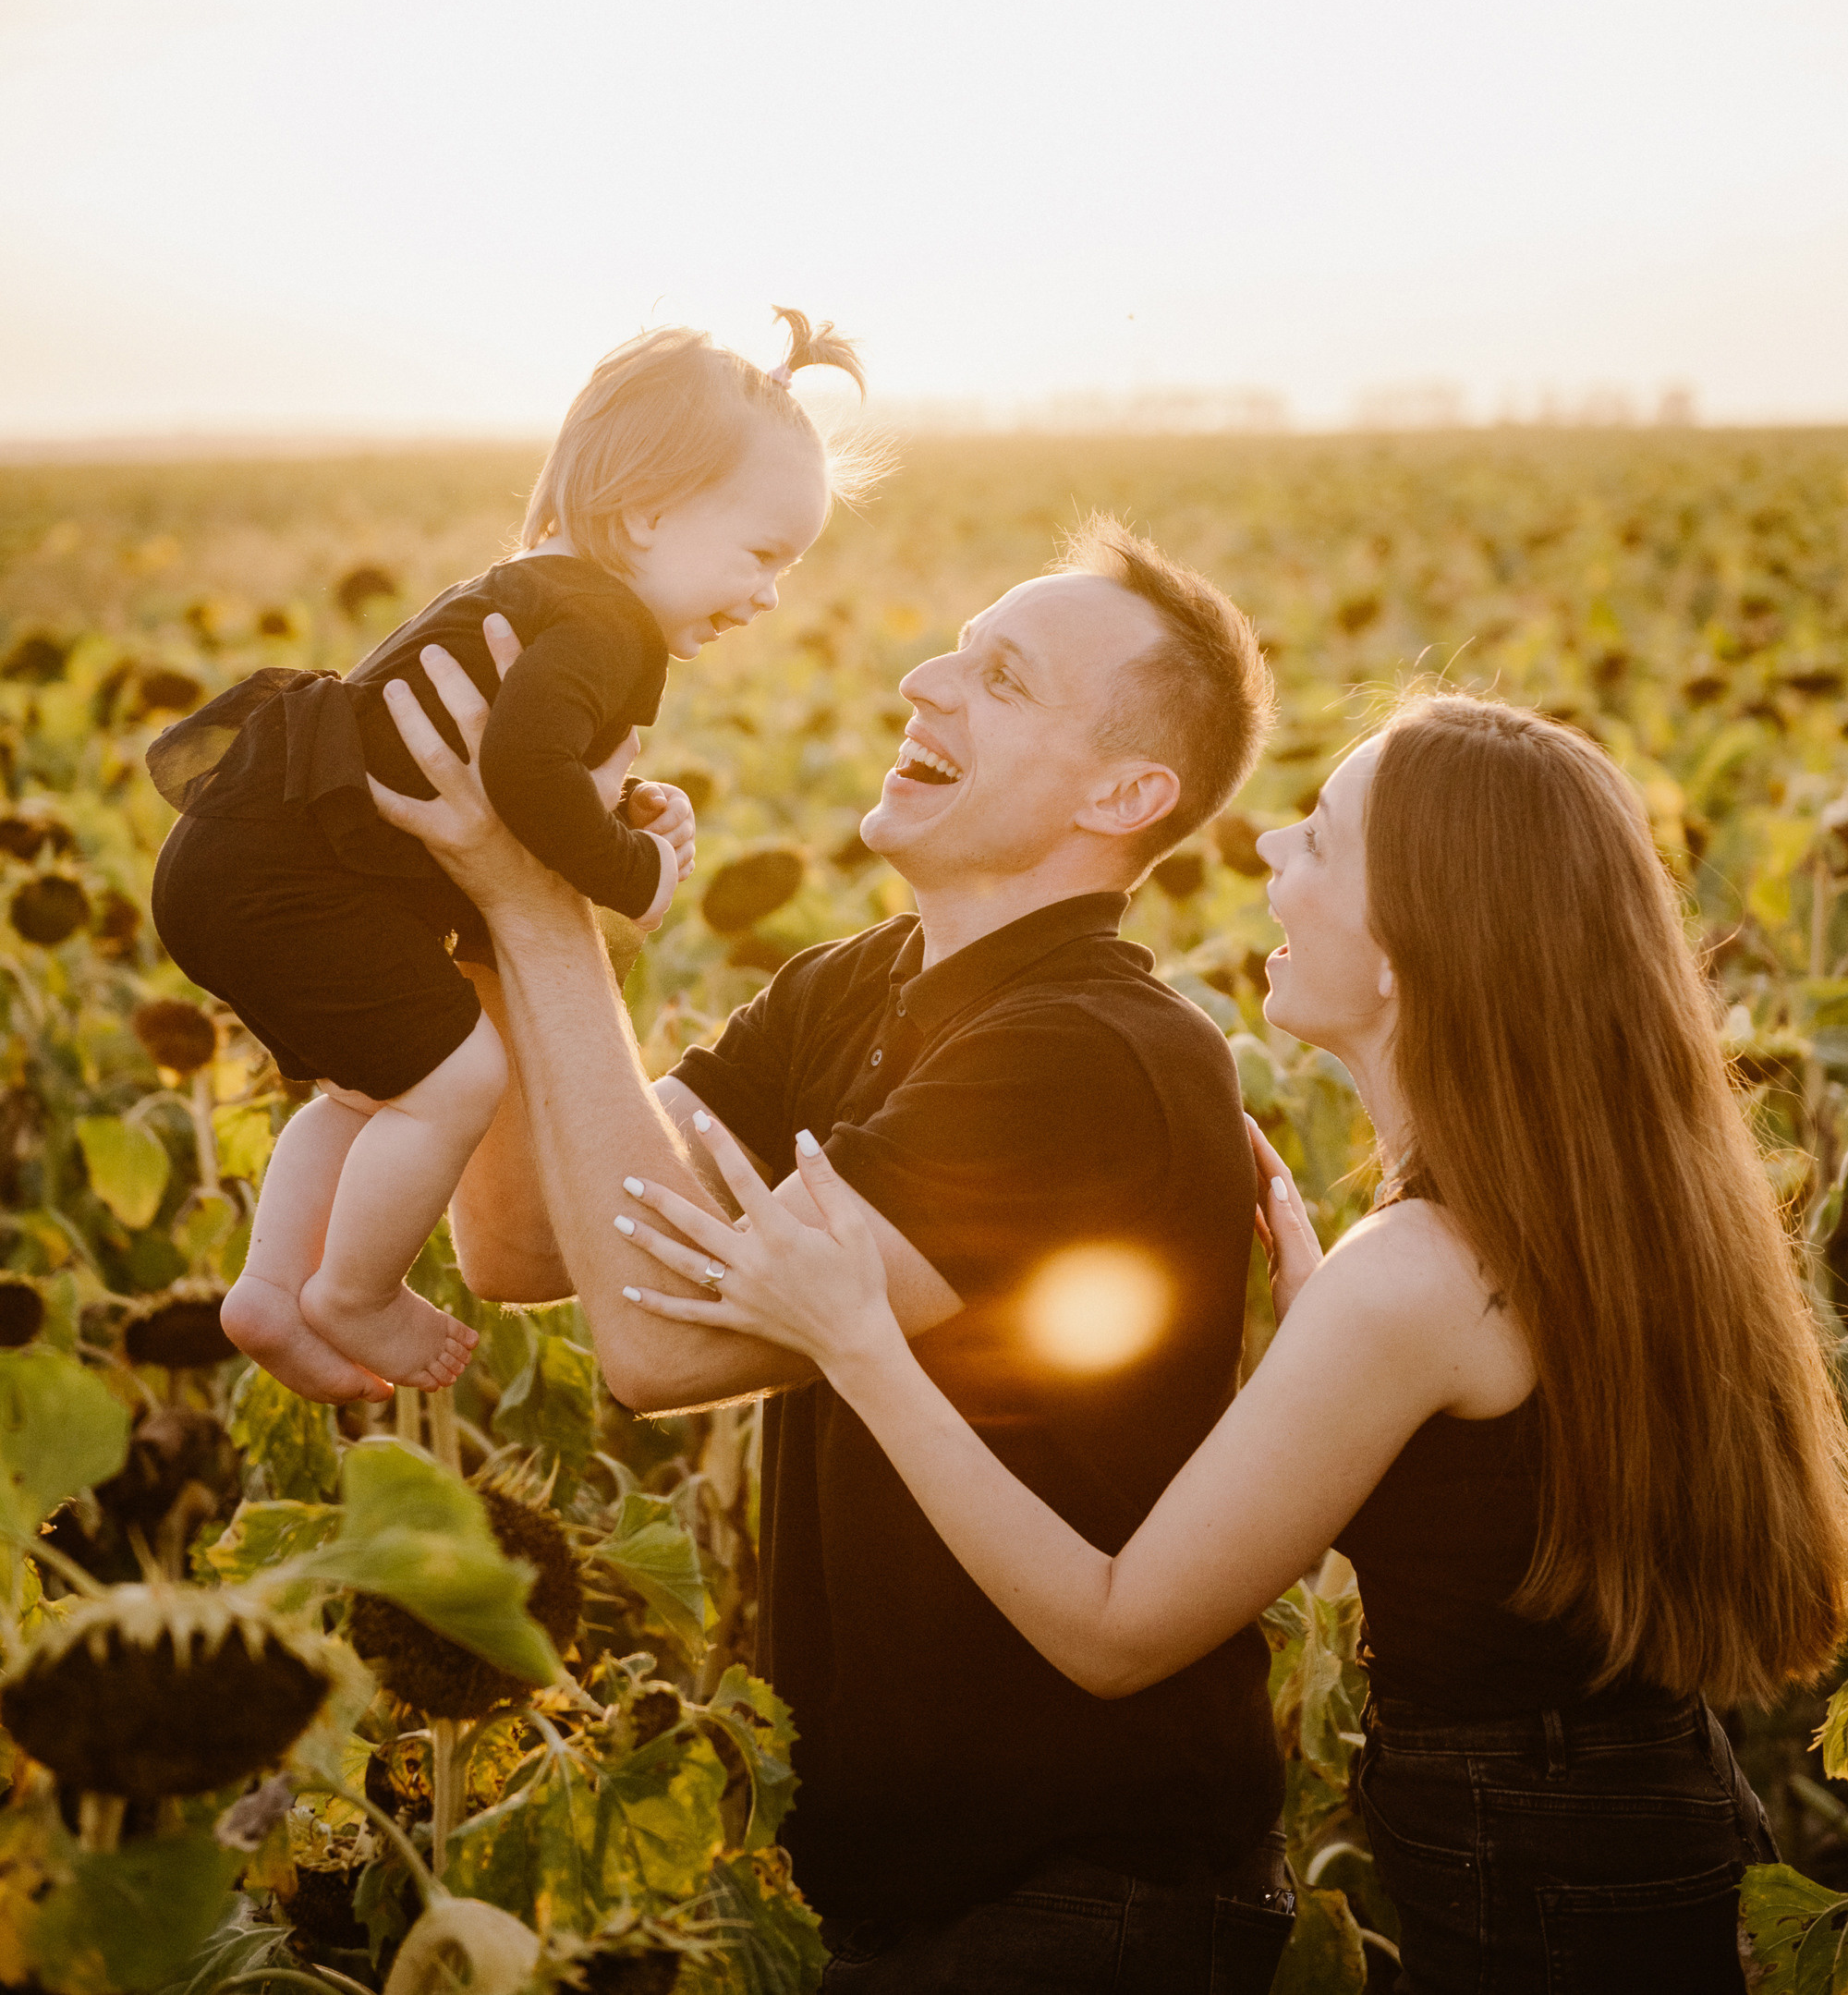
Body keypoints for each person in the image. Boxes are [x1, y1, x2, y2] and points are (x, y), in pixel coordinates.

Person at [615, 692, 1848, 1995]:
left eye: (1318, 836)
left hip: (1541, 1902)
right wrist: (1337, 1341)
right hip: (1639, 1824)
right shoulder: (1563, 1216)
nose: (1265, 847)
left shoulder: (1419, 1276)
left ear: (1405, 947)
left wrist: (865, 1348)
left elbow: (1112, 1632)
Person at [369, 520, 1296, 1990]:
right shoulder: (854, 984)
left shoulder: (1089, 1053)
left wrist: (542, 908)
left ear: (1125, 795)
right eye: (957, 649)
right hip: (892, 1885)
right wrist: (484, 910)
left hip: (1075, 1897)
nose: (925, 681)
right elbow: (525, 1239)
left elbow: (663, 1344)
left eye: (1001, 678)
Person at [149, 310, 862, 1400]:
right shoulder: (607, 625)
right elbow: (524, 775)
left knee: (369, 1092)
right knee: (459, 1081)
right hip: (289, 881)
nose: (770, 593)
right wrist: (633, 871)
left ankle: (268, 1290)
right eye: (761, 555)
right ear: (646, 512)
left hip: (241, 861)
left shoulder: (532, 594)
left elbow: (522, 771)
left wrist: (610, 807)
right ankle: (354, 1293)